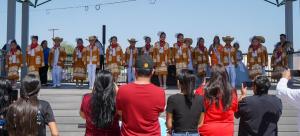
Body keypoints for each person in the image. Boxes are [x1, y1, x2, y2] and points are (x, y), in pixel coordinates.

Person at [116, 55, 165, 136]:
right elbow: (158, 114)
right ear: (152, 72)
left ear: (135, 71)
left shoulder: (123, 90)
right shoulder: (159, 92)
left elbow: (120, 113)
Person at [195, 64, 238, 136]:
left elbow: (196, 109)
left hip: (207, 129)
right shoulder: (232, 91)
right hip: (226, 130)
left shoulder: (202, 90)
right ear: (225, 75)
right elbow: (234, 108)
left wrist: (202, 86)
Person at [80, 70, 120, 136]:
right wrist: (118, 91)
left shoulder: (86, 98)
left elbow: (83, 115)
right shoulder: (117, 100)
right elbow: (123, 116)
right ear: (112, 85)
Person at [166, 69, 205, 136]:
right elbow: (201, 123)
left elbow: (169, 124)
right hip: (194, 133)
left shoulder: (172, 99)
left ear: (179, 82)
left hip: (178, 133)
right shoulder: (200, 99)